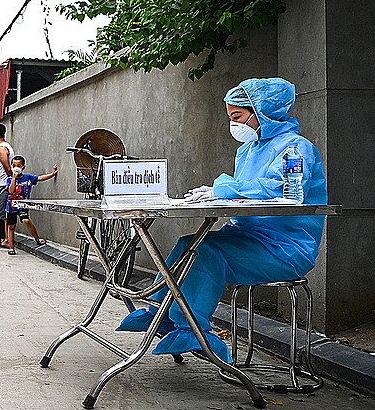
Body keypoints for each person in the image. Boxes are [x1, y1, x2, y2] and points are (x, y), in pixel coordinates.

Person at [117, 77, 328, 362]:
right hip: (247, 238)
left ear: (262, 111)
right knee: (187, 243)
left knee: (206, 252)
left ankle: (194, 329)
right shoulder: (246, 151)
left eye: (238, 117)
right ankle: (162, 310)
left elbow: (283, 190)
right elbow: (244, 197)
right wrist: (216, 196)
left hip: (285, 247)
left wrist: (224, 189)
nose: (234, 125)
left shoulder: (296, 149)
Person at [4, 156, 58, 254]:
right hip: (11, 206)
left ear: (23, 167)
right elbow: (11, 191)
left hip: (23, 206)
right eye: (14, 165)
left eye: (18, 166)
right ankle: (11, 247)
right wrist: (13, 179)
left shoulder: (28, 177)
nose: (16, 168)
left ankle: (37, 239)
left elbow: (39, 178)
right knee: (11, 226)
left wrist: (52, 174)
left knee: (26, 220)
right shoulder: (9, 179)